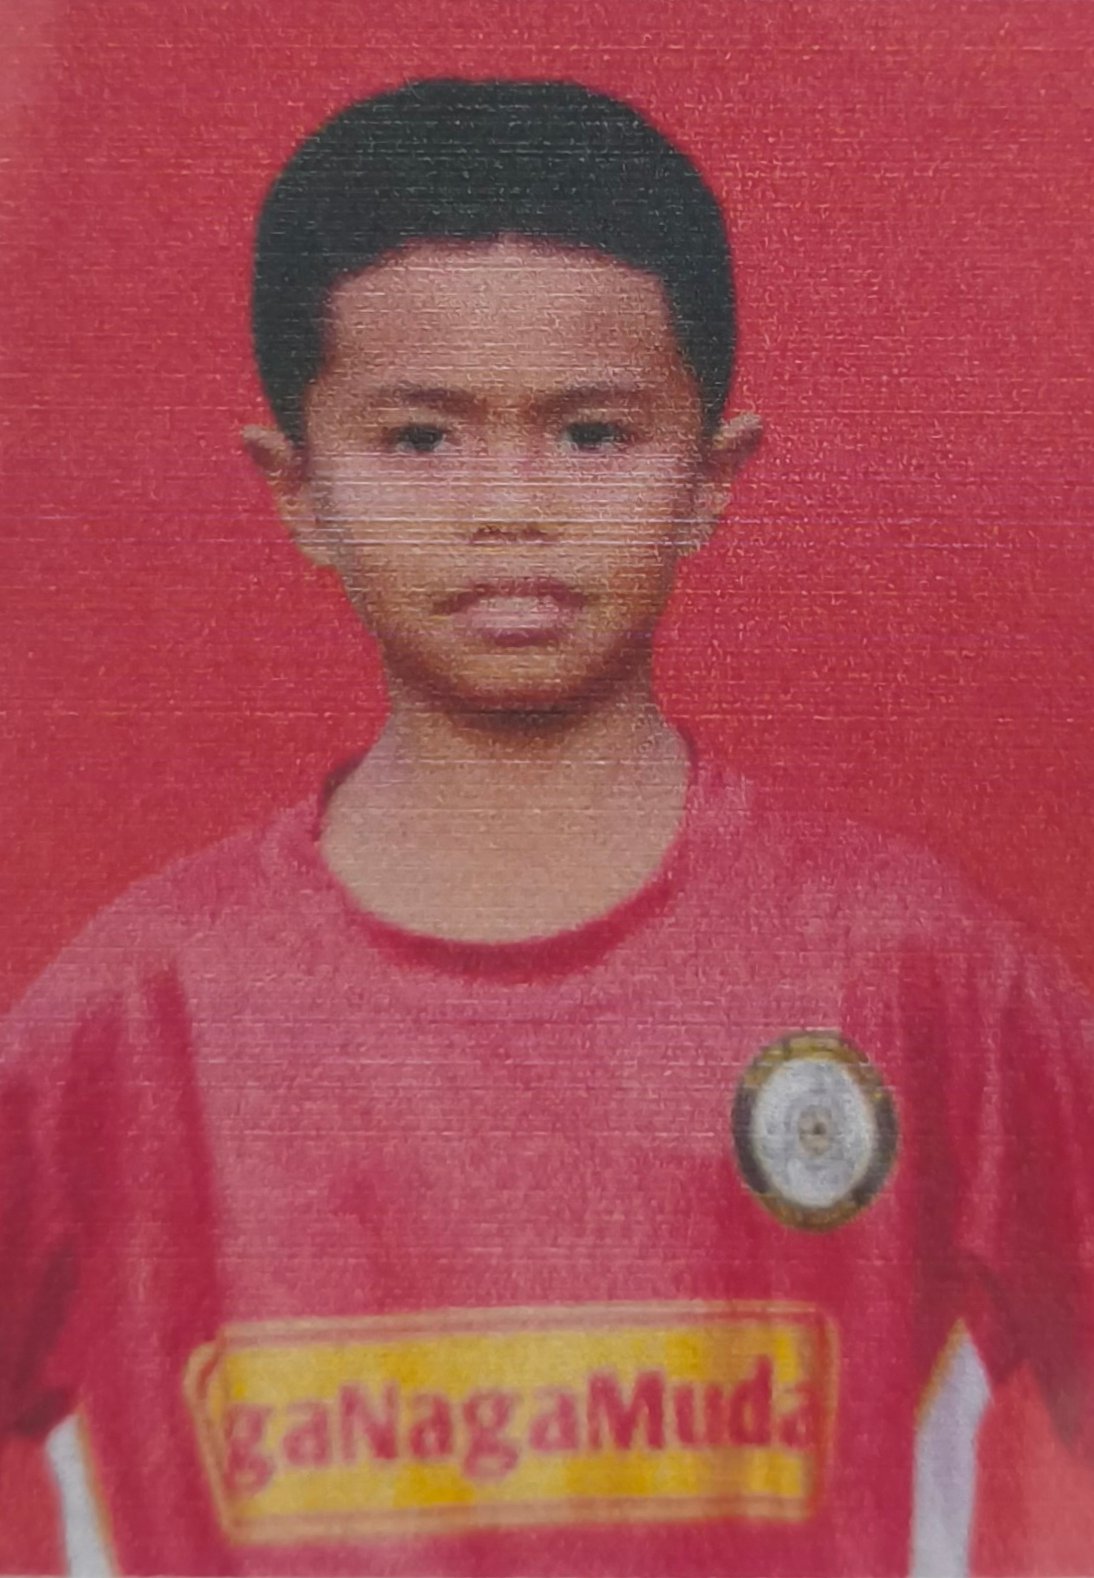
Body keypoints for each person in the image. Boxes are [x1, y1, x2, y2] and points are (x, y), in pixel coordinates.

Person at [1, 76, 1092, 1578]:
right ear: (296, 489)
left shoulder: (918, 976)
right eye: (419, 439)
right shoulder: (132, 1027)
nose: (508, 507)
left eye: (589, 433)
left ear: (709, 475)